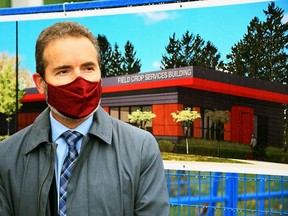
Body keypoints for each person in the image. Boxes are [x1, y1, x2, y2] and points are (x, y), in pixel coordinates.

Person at [0, 21, 170, 216]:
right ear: (40, 83)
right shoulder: (6, 157)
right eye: (64, 71)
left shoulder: (140, 149)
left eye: (88, 68)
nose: (80, 81)